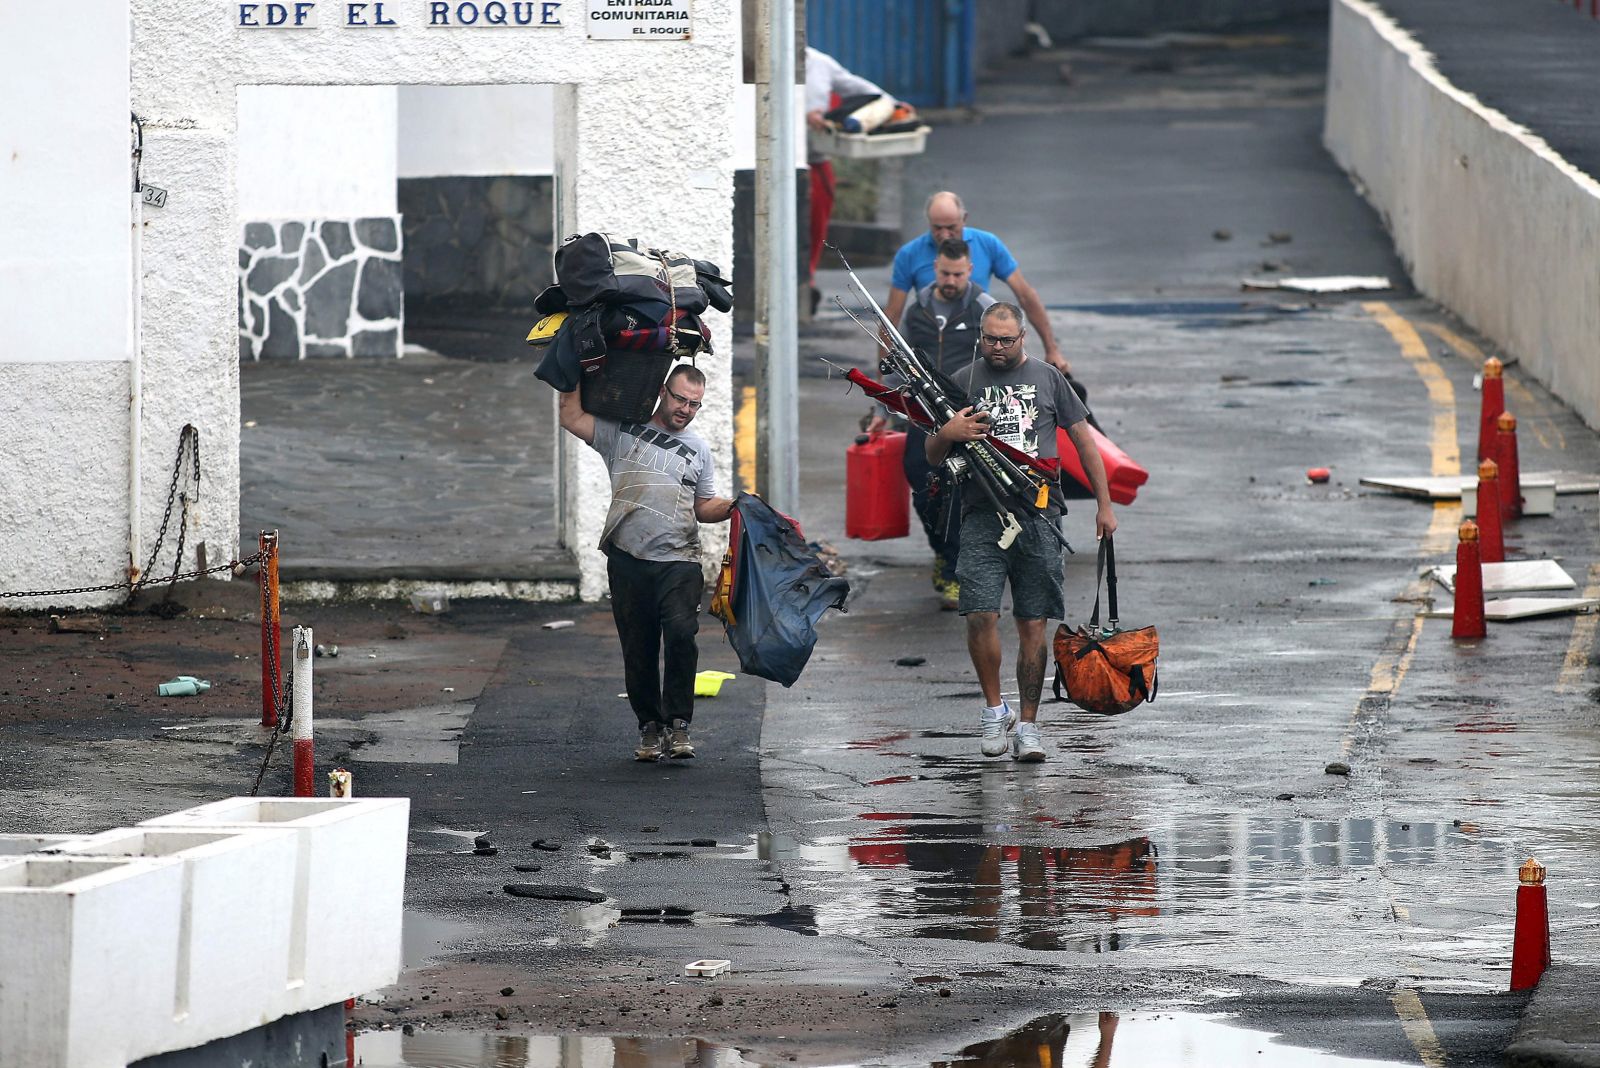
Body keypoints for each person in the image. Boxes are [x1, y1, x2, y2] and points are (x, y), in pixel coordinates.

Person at [925, 303, 1116, 762]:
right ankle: (995, 711)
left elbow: (1085, 441)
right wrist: (948, 430)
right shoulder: (963, 379)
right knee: (979, 615)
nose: (996, 347)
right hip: (980, 515)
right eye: (989, 338)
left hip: (1041, 516)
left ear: (1023, 337)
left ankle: (1028, 726)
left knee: (1033, 623)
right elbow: (932, 455)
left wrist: (1104, 505)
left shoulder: (1049, 379)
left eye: (1005, 340)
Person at [556, 365, 735, 762]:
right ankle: (649, 727)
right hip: (627, 558)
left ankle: (678, 725)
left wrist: (737, 506)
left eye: (695, 404)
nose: (686, 409)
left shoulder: (698, 450)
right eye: (680, 399)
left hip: (680, 560)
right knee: (638, 647)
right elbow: (570, 416)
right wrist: (572, 362)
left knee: (680, 634)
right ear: (661, 391)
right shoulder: (622, 433)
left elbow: (703, 506)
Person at [876, 237, 994, 608]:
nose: (950, 280)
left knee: (969, 490)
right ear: (935, 269)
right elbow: (900, 364)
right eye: (944, 272)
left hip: (971, 413)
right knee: (924, 483)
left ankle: (963, 566)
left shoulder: (984, 309)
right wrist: (884, 411)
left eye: (958, 274)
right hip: (925, 414)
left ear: (970, 271)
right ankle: (943, 551)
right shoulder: (917, 310)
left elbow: (1004, 358)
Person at [884, 191, 1072, 376]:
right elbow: (892, 316)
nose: (945, 234)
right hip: (933, 343)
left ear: (964, 219)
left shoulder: (988, 244)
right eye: (937, 228)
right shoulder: (909, 254)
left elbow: (1025, 295)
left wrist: (1052, 349)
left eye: (951, 227)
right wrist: (882, 376)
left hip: (976, 342)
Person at [805, 47, 888, 311]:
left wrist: (892, 106)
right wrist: (802, 119)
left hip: (816, 163)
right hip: (771, 167)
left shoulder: (820, 63)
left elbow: (863, 91)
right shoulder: (759, 60)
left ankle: (807, 283)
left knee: (815, 232)